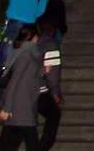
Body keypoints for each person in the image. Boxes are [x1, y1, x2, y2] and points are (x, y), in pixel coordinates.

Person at [0, 24, 43, 151]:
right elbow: (14, 81)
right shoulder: (26, 55)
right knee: (29, 139)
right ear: (35, 37)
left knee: (9, 139)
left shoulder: (24, 53)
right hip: (20, 104)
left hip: (22, 102)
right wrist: (7, 107)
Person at [34, 16, 63, 151]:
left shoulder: (34, 41)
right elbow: (52, 74)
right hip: (38, 88)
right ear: (53, 30)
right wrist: (55, 93)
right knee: (54, 114)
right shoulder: (50, 45)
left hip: (26, 87)